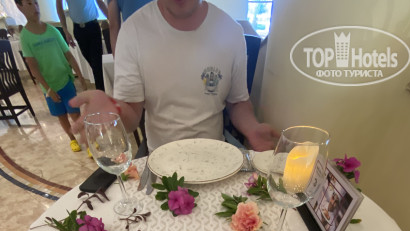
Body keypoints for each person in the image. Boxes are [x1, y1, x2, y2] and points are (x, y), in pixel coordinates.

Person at [70, 0, 278, 153]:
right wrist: (113, 108)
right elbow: (132, 116)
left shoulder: (231, 31)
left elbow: (237, 101)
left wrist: (252, 128)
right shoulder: (133, 31)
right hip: (160, 160)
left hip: (216, 155)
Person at [15, 0, 87, 153]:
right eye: (29, 4)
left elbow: (68, 55)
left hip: (65, 80)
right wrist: (48, 89)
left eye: (36, 3)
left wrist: (80, 76)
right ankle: (72, 140)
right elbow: (33, 68)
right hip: (49, 87)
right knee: (61, 115)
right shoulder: (25, 37)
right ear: (20, 7)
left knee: (75, 113)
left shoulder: (53, 31)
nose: (35, 7)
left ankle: (87, 141)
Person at [56, 0, 108, 91]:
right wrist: (65, 30)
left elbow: (100, 2)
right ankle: (103, 90)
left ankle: (101, 92)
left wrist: (112, 19)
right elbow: (59, 8)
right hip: (78, 30)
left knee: (97, 65)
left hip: (93, 27)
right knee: (94, 65)